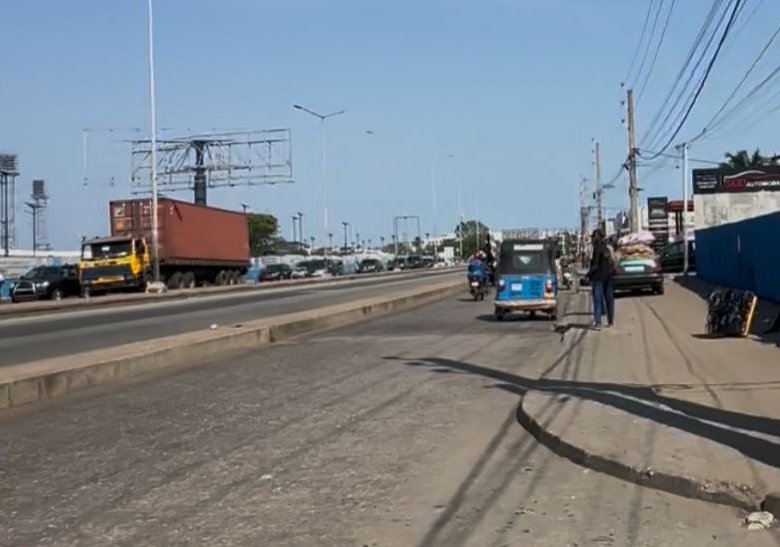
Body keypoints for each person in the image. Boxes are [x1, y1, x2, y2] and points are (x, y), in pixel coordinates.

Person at [587, 228, 615, 329]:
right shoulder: (607, 249)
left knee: (597, 300)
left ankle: (598, 322)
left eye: (594, 237)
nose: (593, 239)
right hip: (608, 277)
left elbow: (595, 265)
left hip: (598, 278)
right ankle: (610, 321)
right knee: (609, 300)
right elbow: (612, 263)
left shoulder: (597, 249)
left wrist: (588, 275)